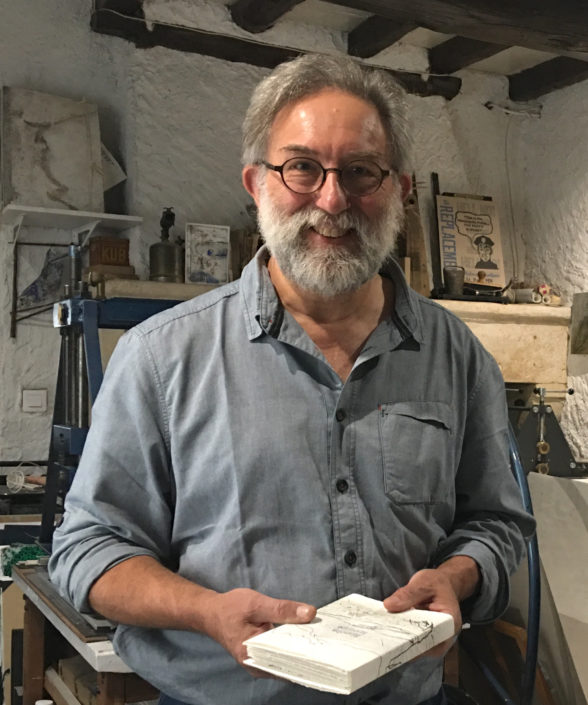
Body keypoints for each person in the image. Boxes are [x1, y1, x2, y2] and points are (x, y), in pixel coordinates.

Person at [49, 53, 535, 705]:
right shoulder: (160, 357)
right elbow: (88, 548)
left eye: (360, 171)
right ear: (256, 183)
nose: (332, 201)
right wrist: (205, 611)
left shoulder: (459, 356)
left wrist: (458, 575)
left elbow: (497, 522)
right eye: (302, 167)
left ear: (399, 189)